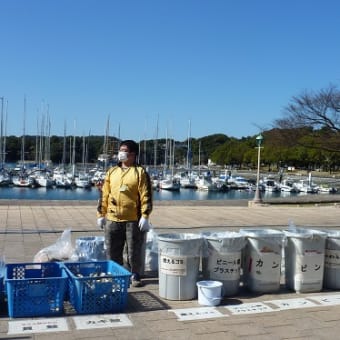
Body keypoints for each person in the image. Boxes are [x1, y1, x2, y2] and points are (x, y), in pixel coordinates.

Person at [96, 140, 153, 287]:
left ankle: (135, 274)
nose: (121, 153)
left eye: (124, 150)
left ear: (133, 154)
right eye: (120, 150)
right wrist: (100, 214)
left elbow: (145, 195)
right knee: (112, 248)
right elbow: (104, 194)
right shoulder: (112, 172)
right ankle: (115, 273)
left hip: (133, 218)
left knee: (133, 249)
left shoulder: (140, 173)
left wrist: (145, 216)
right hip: (112, 218)